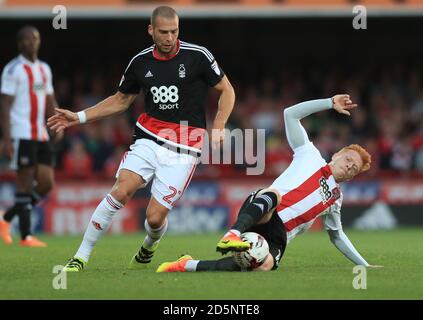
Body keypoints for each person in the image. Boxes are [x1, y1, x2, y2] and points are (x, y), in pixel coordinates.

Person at [47, 6, 235, 271]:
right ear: (151, 30)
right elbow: (121, 100)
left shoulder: (198, 56)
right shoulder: (140, 62)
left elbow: (226, 90)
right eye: (163, 32)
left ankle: (150, 243)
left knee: (155, 218)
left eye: (174, 31)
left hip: (184, 148)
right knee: (121, 190)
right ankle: (80, 256)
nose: (170, 37)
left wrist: (219, 124)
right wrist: (78, 117)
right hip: (148, 138)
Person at [156, 94, 383, 273]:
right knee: (274, 195)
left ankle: (187, 265)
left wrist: (364, 264)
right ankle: (233, 233)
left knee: (260, 266)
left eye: (354, 169)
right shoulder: (309, 153)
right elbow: (290, 114)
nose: (349, 166)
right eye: (349, 159)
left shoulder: (335, 199)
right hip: (264, 209)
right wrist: (329, 103)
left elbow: (337, 236)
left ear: (351, 178)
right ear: (337, 155)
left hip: (278, 236)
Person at [0, 26, 59, 247]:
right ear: (20, 44)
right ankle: (26, 236)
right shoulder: (13, 69)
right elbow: (4, 105)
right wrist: (6, 139)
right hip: (21, 133)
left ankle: (6, 218)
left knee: (46, 183)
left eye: (35, 38)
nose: (31, 42)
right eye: (26, 39)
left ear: (39, 41)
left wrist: (58, 122)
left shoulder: (44, 69)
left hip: (41, 133)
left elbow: (50, 99)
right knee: (24, 182)